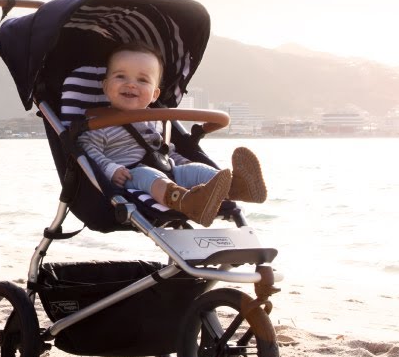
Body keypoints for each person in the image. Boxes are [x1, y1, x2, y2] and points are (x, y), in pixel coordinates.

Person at [78, 42, 268, 226]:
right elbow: (89, 152)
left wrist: (184, 165)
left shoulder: (156, 120)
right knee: (148, 174)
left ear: (154, 94)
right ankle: (188, 202)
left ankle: (237, 187)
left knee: (197, 170)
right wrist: (111, 169)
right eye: (120, 76)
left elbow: (164, 150)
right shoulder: (99, 124)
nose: (131, 84)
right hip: (129, 176)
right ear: (105, 86)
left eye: (142, 80)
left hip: (168, 170)